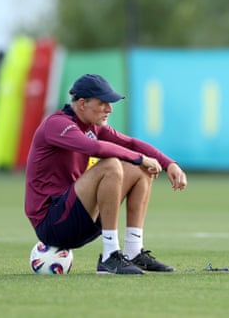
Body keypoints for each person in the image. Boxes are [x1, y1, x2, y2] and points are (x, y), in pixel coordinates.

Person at [25, 74, 188, 275]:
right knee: (112, 164)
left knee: (141, 168)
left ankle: (133, 251)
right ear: (82, 103)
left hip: (78, 216)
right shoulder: (56, 124)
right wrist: (139, 158)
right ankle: (109, 256)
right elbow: (93, 147)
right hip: (52, 224)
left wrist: (168, 163)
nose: (109, 109)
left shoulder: (92, 126)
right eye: (103, 103)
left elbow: (131, 144)